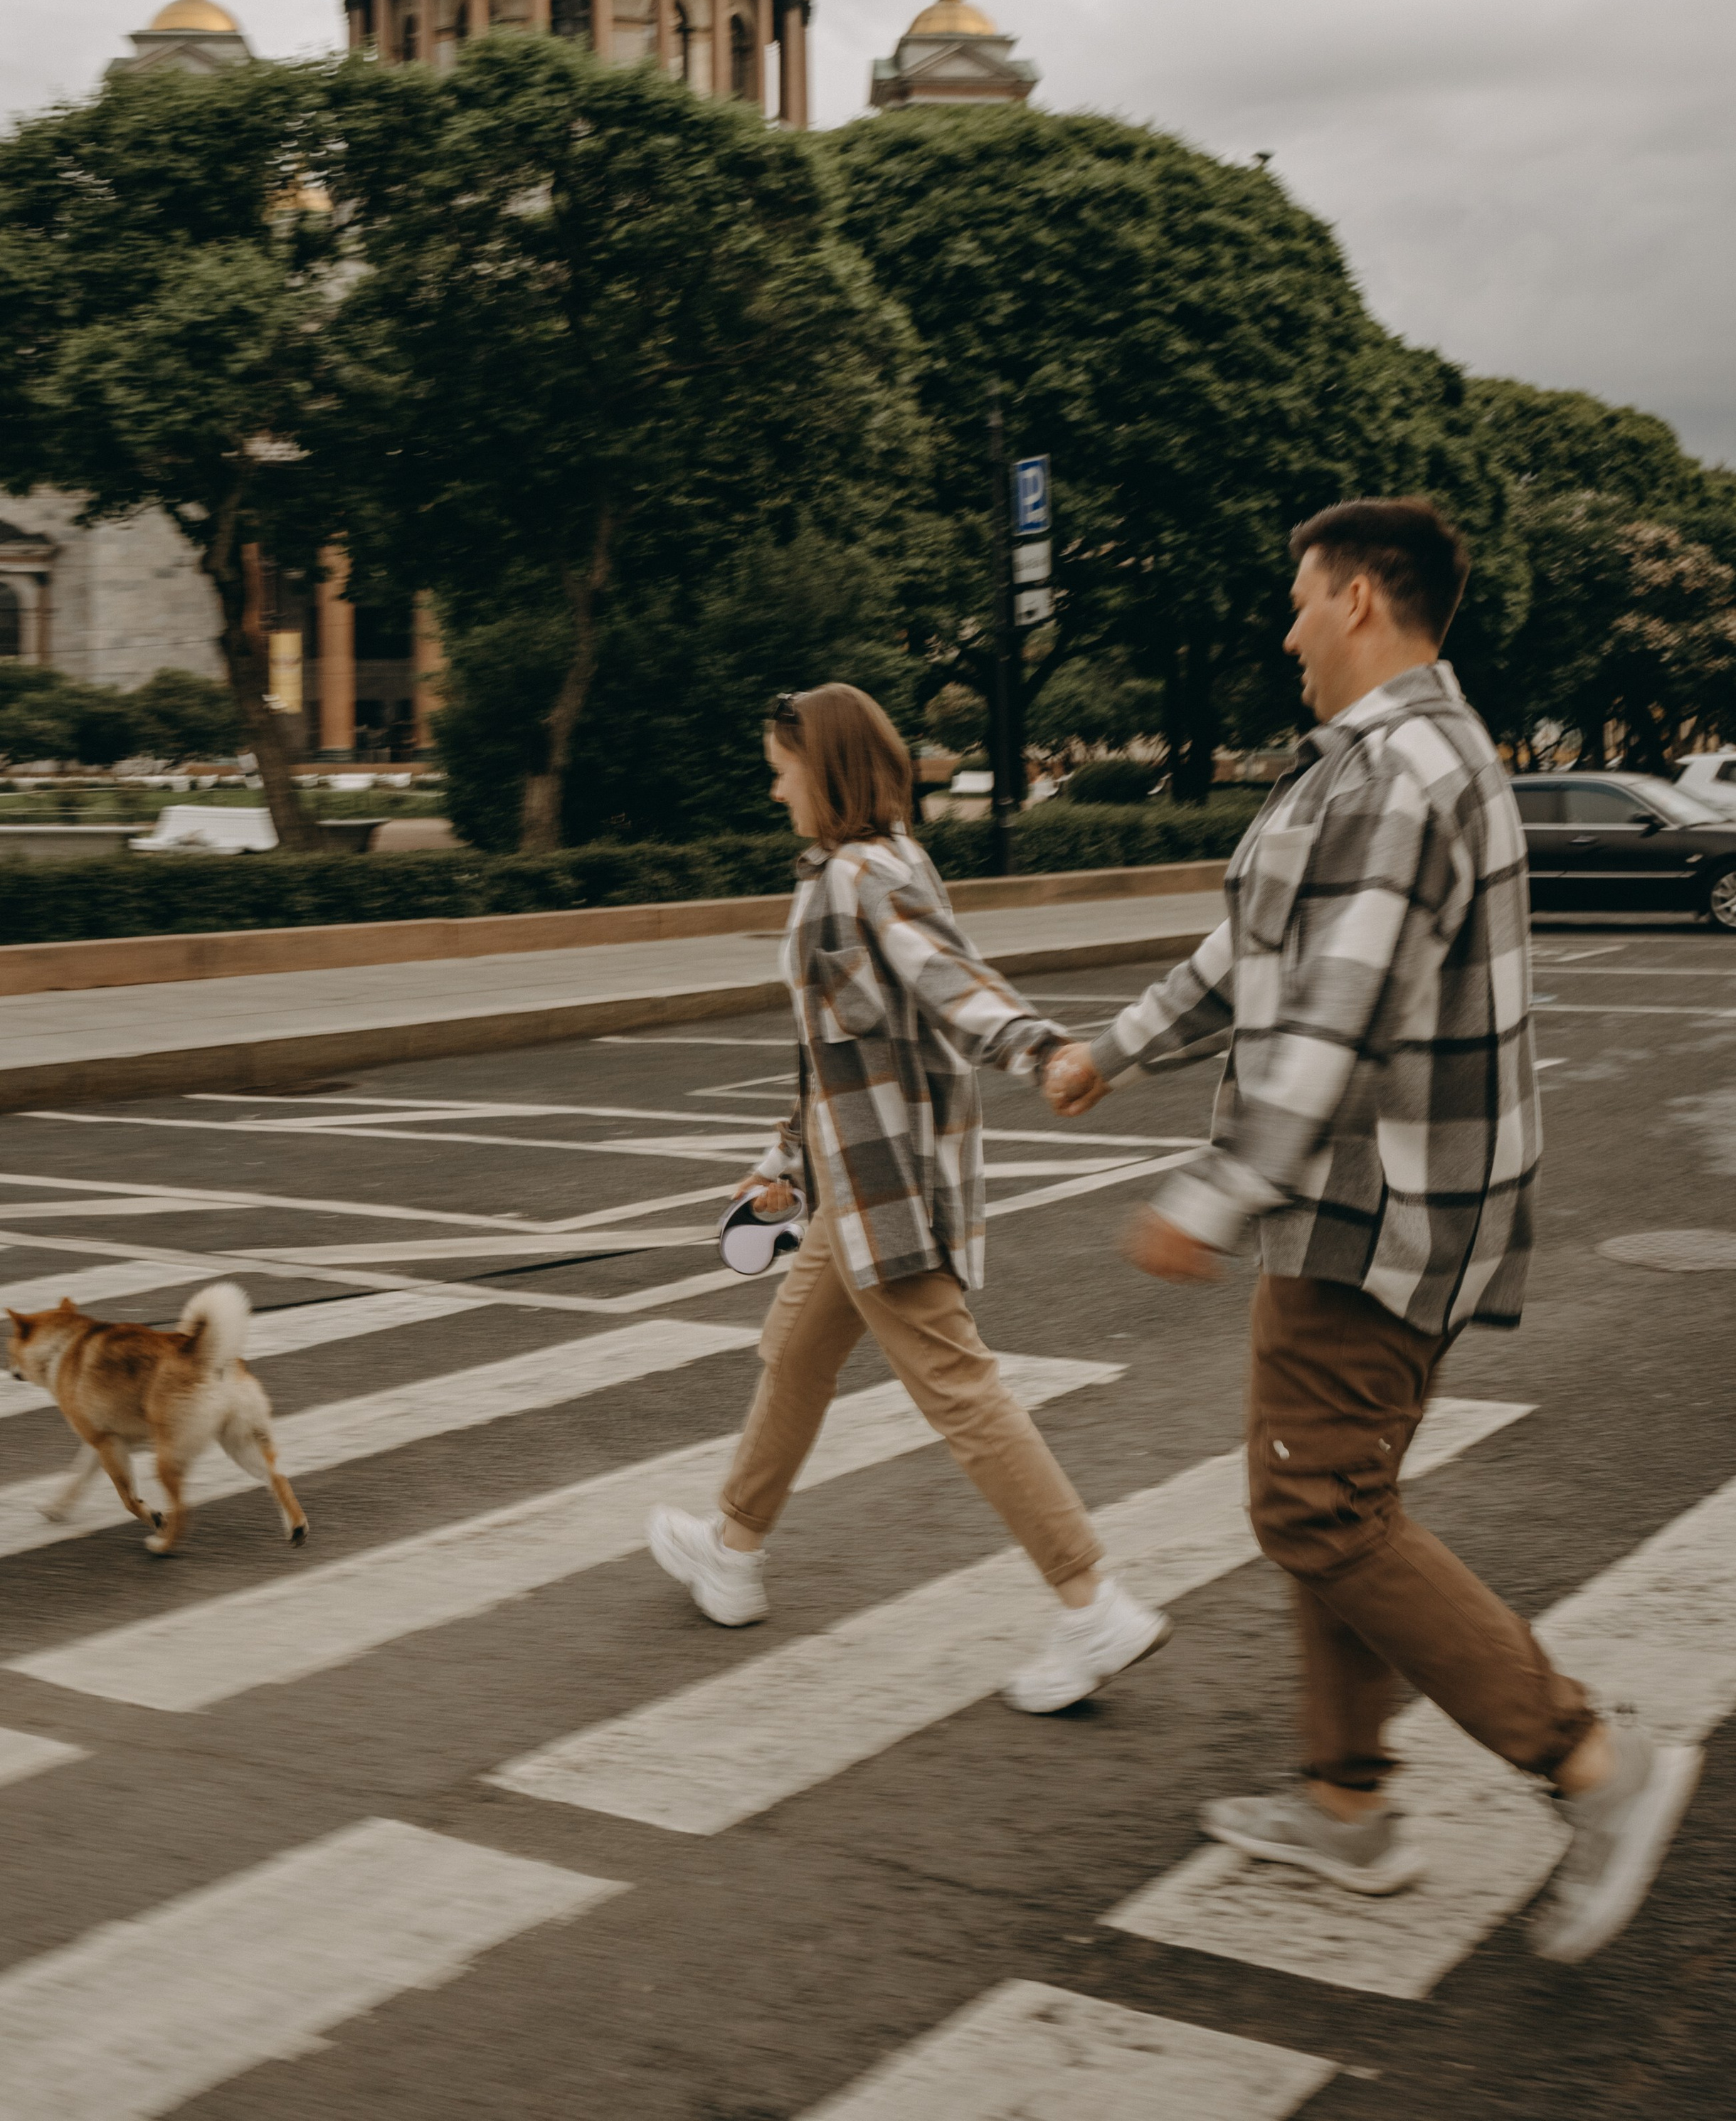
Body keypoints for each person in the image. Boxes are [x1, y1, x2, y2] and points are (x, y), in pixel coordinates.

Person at [1044, 499, 1698, 1963]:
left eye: (1297, 600)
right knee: (1333, 1500)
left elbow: (1334, 1012)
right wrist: (1113, 1052)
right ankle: (1346, 1802)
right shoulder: (1387, 758)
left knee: (1317, 1511)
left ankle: (1591, 1763)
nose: (1284, 632)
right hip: (1398, 1195)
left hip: (1371, 1203)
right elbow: (1255, 952)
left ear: (1355, 598)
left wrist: (1219, 1192)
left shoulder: (1398, 770)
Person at [647, 681, 1170, 1713]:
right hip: (856, 1173)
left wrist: (1044, 1050)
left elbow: (950, 983)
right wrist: (784, 1159)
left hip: (884, 1185)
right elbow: (840, 1050)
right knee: (795, 1354)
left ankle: (1090, 1602)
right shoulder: (886, 863)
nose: (774, 789)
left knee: (960, 1389)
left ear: (826, 768)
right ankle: (733, 1549)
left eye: (783, 771)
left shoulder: (857, 877)